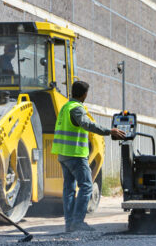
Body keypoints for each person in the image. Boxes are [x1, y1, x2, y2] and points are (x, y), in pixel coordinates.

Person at [52, 81, 127, 233]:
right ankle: (77, 223)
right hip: (75, 154)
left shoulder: (65, 107)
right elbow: (87, 125)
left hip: (63, 154)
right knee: (86, 186)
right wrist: (109, 131)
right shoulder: (77, 109)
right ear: (84, 94)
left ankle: (69, 224)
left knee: (69, 189)